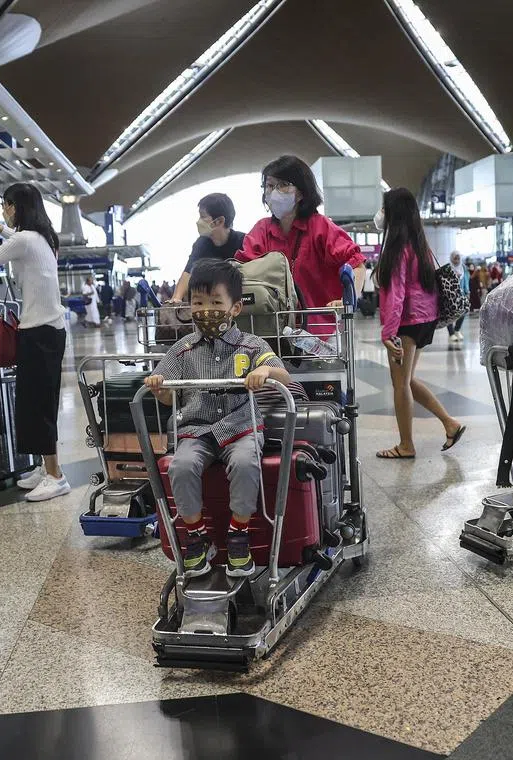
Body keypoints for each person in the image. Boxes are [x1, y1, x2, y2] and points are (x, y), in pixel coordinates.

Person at [144, 260, 292, 578]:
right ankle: (197, 536)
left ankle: (239, 534)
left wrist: (264, 371)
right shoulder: (181, 350)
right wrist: (158, 389)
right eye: (198, 303)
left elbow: (282, 373)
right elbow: (170, 395)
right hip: (196, 429)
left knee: (245, 463)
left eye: (215, 303)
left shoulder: (251, 345)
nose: (205, 310)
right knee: (180, 467)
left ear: (235, 307)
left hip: (241, 426)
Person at [0, 183, 71, 502]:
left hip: (40, 332)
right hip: (46, 331)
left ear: (16, 207)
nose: (3, 211)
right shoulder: (41, 236)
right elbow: (16, 239)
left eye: (5, 206)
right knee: (34, 401)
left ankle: (56, 476)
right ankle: (46, 467)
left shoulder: (26, 240)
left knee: (38, 404)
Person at [373, 188, 466, 460]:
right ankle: (450, 423)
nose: (381, 214)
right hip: (424, 320)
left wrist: (388, 333)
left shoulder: (398, 248)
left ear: (394, 213)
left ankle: (406, 445)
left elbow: (397, 294)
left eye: (384, 208)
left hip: (407, 322)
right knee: (408, 380)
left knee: (399, 384)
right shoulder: (419, 244)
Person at [236, 155, 365, 337]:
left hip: (319, 333)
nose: (274, 192)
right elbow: (242, 271)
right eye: (270, 185)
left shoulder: (321, 227)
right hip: (269, 333)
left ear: (301, 192)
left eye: (283, 185)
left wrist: (348, 299)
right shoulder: (261, 230)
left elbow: (356, 264)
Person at [171, 193, 246, 303]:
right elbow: (188, 273)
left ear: (219, 221)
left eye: (202, 216)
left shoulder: (243, 242)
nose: (198, 221)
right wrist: (176, 298)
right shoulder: (201, 244)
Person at [446, 251, 470, 347]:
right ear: (451, 258)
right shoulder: (448, 268)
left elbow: (466, 280)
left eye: (458, 258)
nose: (456, 261)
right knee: (450, 314)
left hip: (462, 294)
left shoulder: (463, 268)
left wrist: (468, 291)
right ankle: (451, 333)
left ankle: (457, 330)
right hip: (450, 294)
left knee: (463, 312)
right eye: (455, 258)